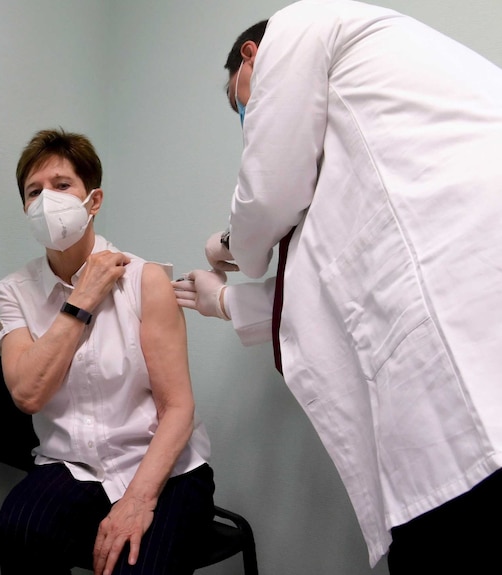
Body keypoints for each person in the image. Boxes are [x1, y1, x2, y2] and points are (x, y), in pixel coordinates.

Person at [173, 1, 502, 572]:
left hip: (468, 316)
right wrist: (224, 301)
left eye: (240, 102)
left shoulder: (300, 28)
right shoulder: (356, 133)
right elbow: (327, 285)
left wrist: (225, 246)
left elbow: (265, 206)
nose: (247, 116)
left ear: (253, 55)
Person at [0, 128, 214, 575]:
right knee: (17, 532)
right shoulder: (13, 291)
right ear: (24, 209)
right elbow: (28, 395)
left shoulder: (145, 280)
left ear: (93, 200)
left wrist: (137, 500)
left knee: (134, 564)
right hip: (71, 466)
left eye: (61, 185)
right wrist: (81, 300)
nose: (46, 200)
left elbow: (178, 407)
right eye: (34, 192)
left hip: (160, 467)